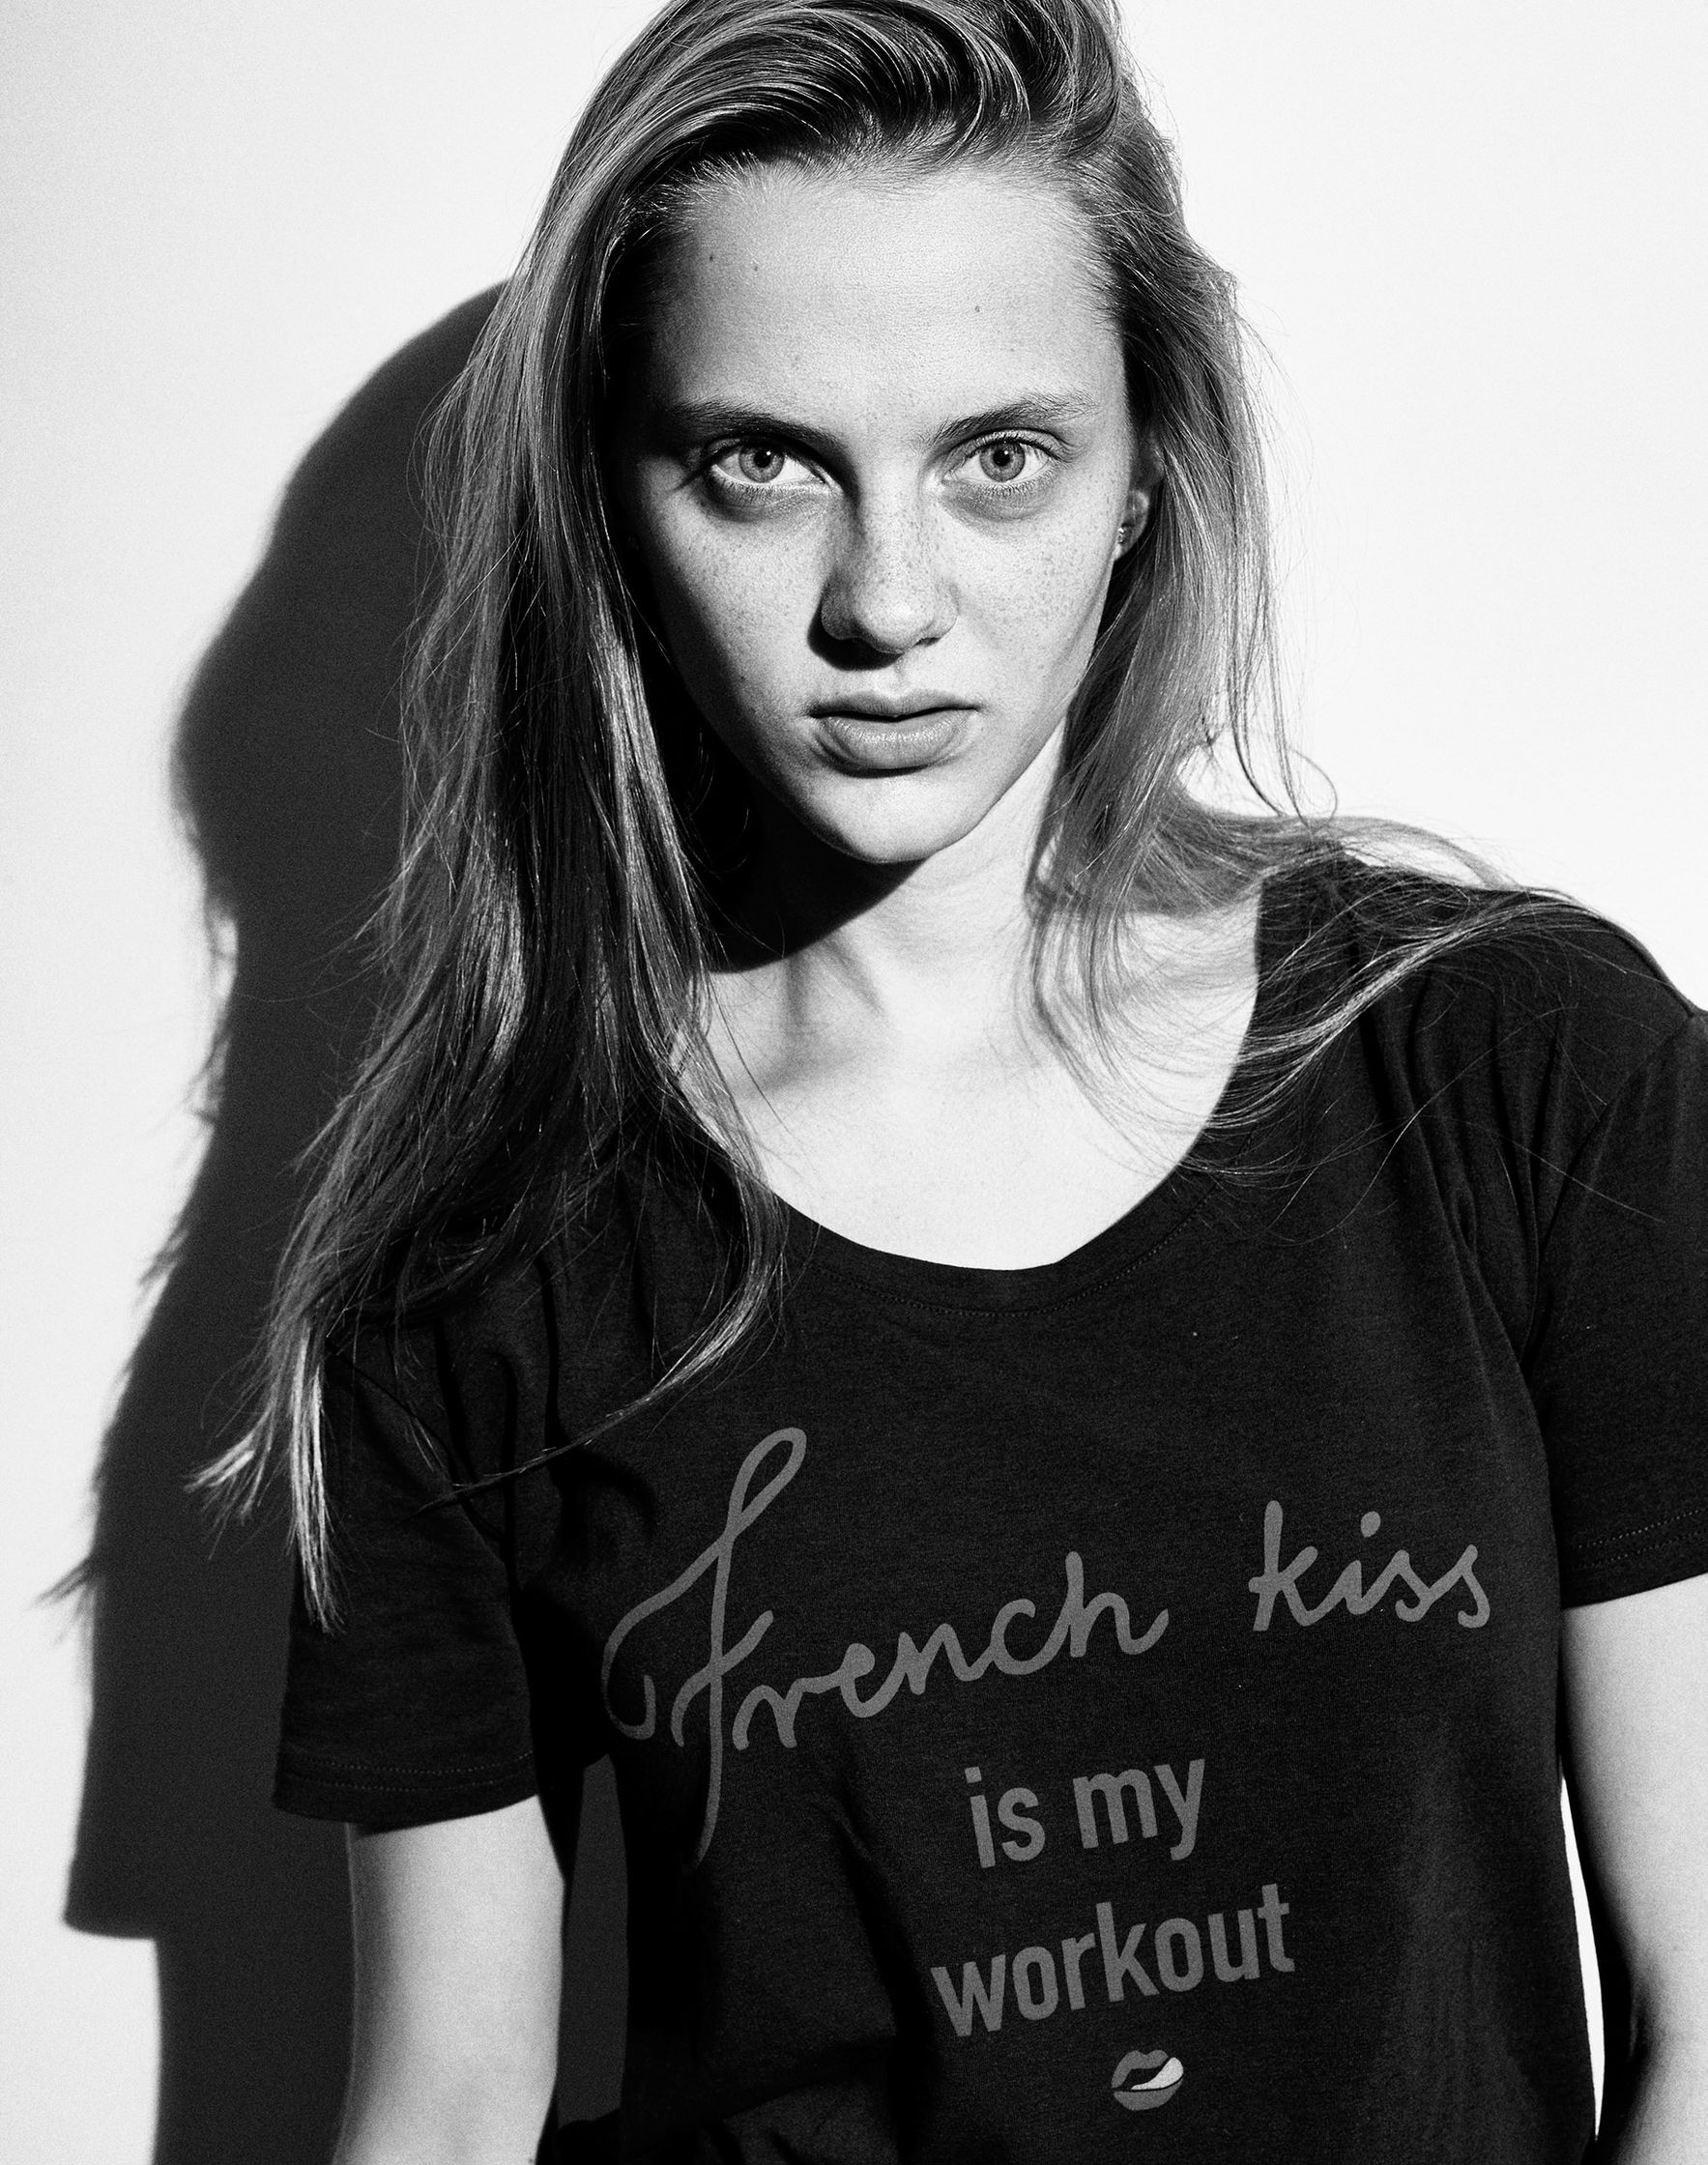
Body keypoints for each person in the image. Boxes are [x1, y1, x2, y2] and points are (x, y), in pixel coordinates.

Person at [209, 2, 1708, 2158]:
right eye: (762, 462)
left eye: (999, 456)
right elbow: (447, 2099)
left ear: (1143, 476)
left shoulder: (1521, 1072)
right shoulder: (480, 1258)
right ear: (611, 503)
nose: (885, 602)